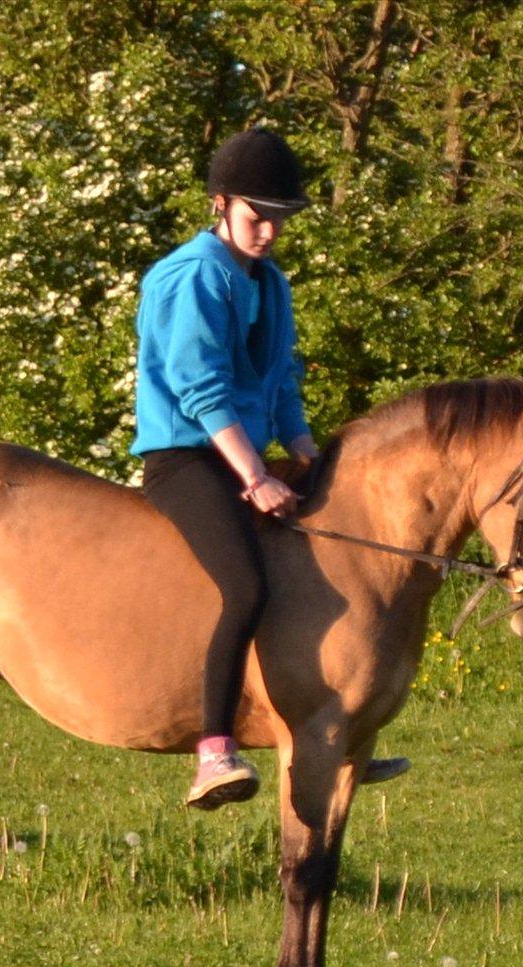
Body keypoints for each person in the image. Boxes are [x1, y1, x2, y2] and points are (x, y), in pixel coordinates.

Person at [131, 128, 409, 809]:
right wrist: (256, 477)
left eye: (280, 219)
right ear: (219, 206)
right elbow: (201, 389)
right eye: (259, 217)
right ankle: (213, 750)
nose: (271, 232)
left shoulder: (271, 281)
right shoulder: (193, 275)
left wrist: (309, 452)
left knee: (335, 569)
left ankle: (333, 729)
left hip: (251, 452)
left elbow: (281, 376)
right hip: (188, 458)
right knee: (248, 586)